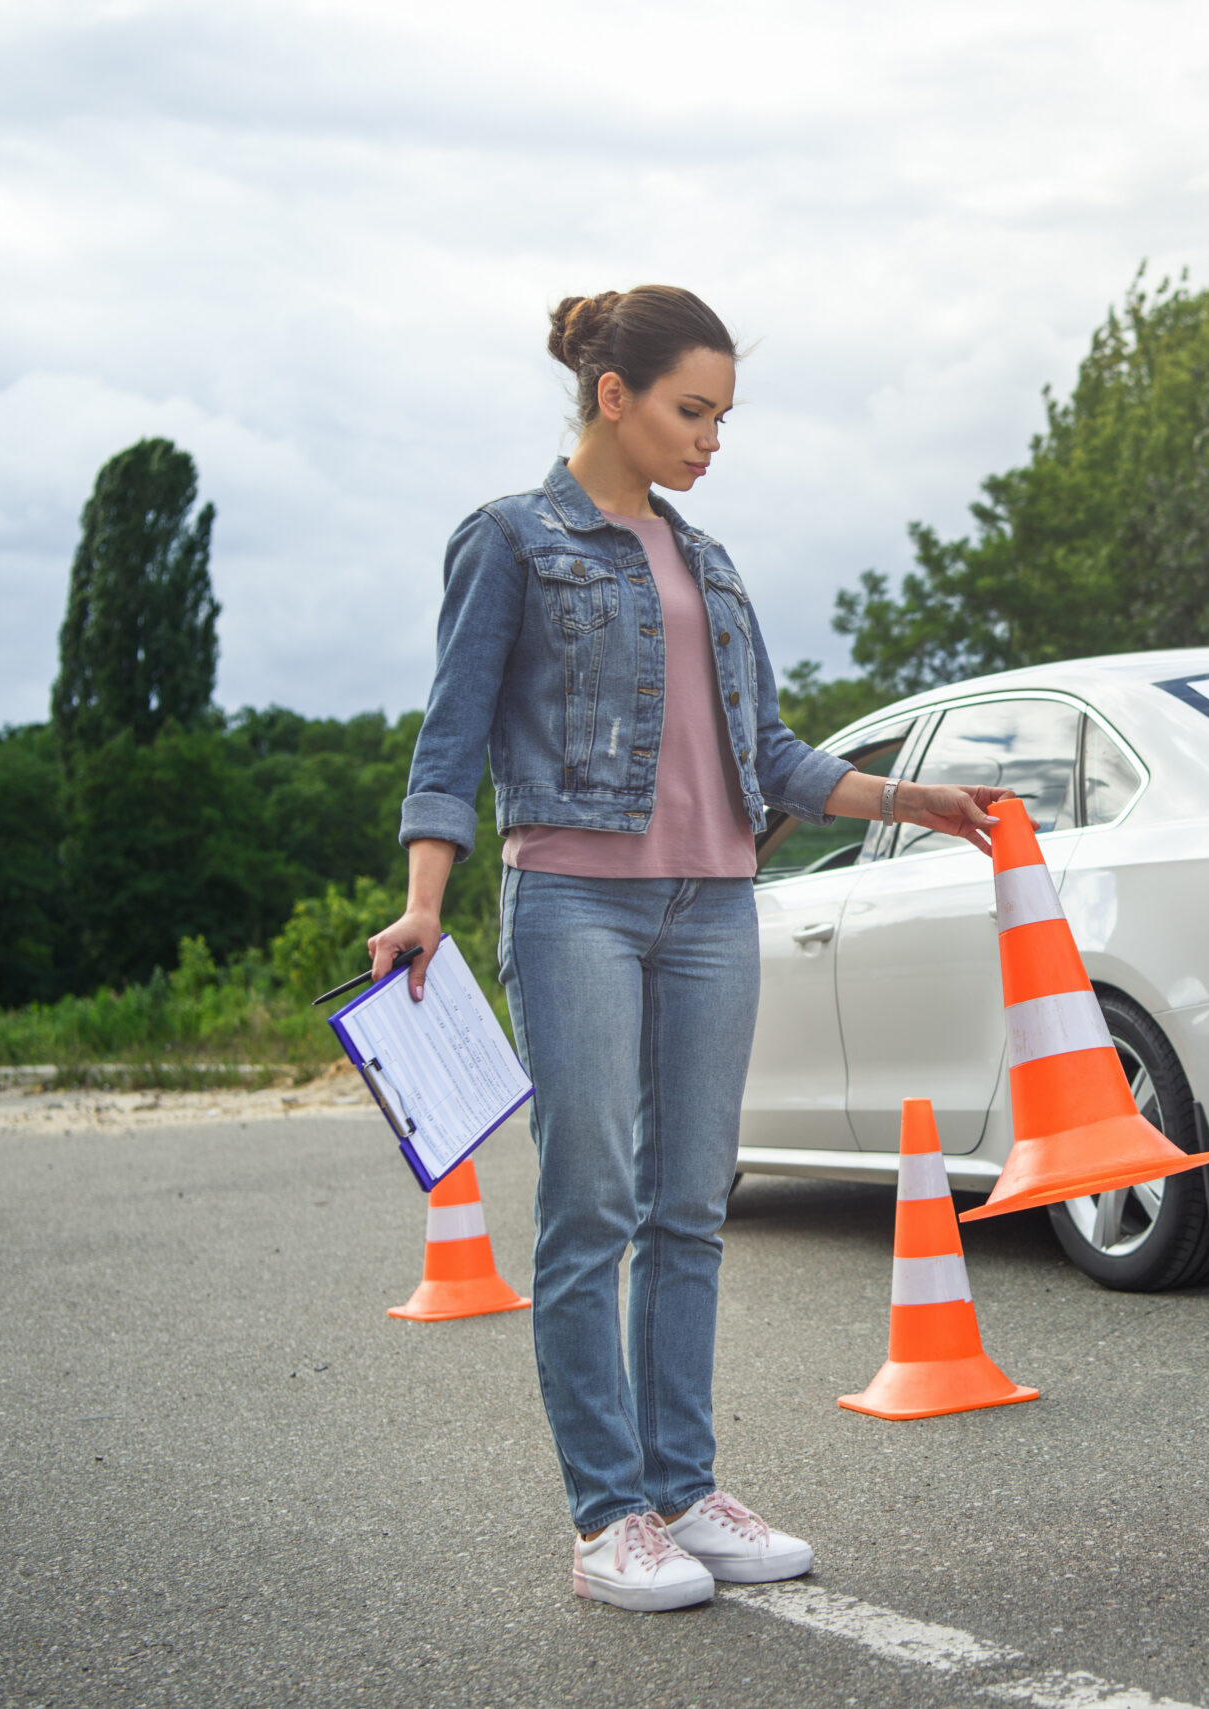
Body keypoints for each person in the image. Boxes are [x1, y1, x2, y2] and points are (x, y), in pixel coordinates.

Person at [369, 286, 1005, 1612]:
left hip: (713, 908)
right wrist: (425, 900)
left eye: (723, 413)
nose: (712, 437)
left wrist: (910, 799)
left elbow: (766, 754)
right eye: (690, 408)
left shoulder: (708, 563)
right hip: (576, 906)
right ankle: (611, 1517)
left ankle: (686, 1487)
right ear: (616, 395)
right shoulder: (510, 540)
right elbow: (451, 739)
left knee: (690, 1203)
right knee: (592, 1202)